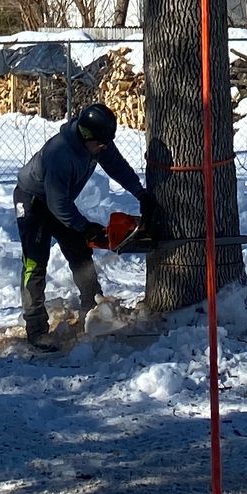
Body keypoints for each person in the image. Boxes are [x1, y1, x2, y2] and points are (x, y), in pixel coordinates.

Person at [13, 100, 152, 345]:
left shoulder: (98, 142)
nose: (104, 148)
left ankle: (94, 308)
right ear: (86, 136)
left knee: (79, 251)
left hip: (58, 201)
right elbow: (58, 206)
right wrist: (86, 227)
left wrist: (140, 194)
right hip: (33, 201)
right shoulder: (61, 155)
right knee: (35, 262)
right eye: (100, 144)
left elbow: (117, 167)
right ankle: (36, 328)